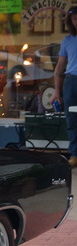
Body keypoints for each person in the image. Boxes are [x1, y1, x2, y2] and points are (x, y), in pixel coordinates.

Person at [53, 6, 77, 168]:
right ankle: (75, 154)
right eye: (75, 19)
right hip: (72, 82)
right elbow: (60, 68)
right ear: (70, 22)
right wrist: (56, 91)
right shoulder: (67, 41)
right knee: (72, 118)